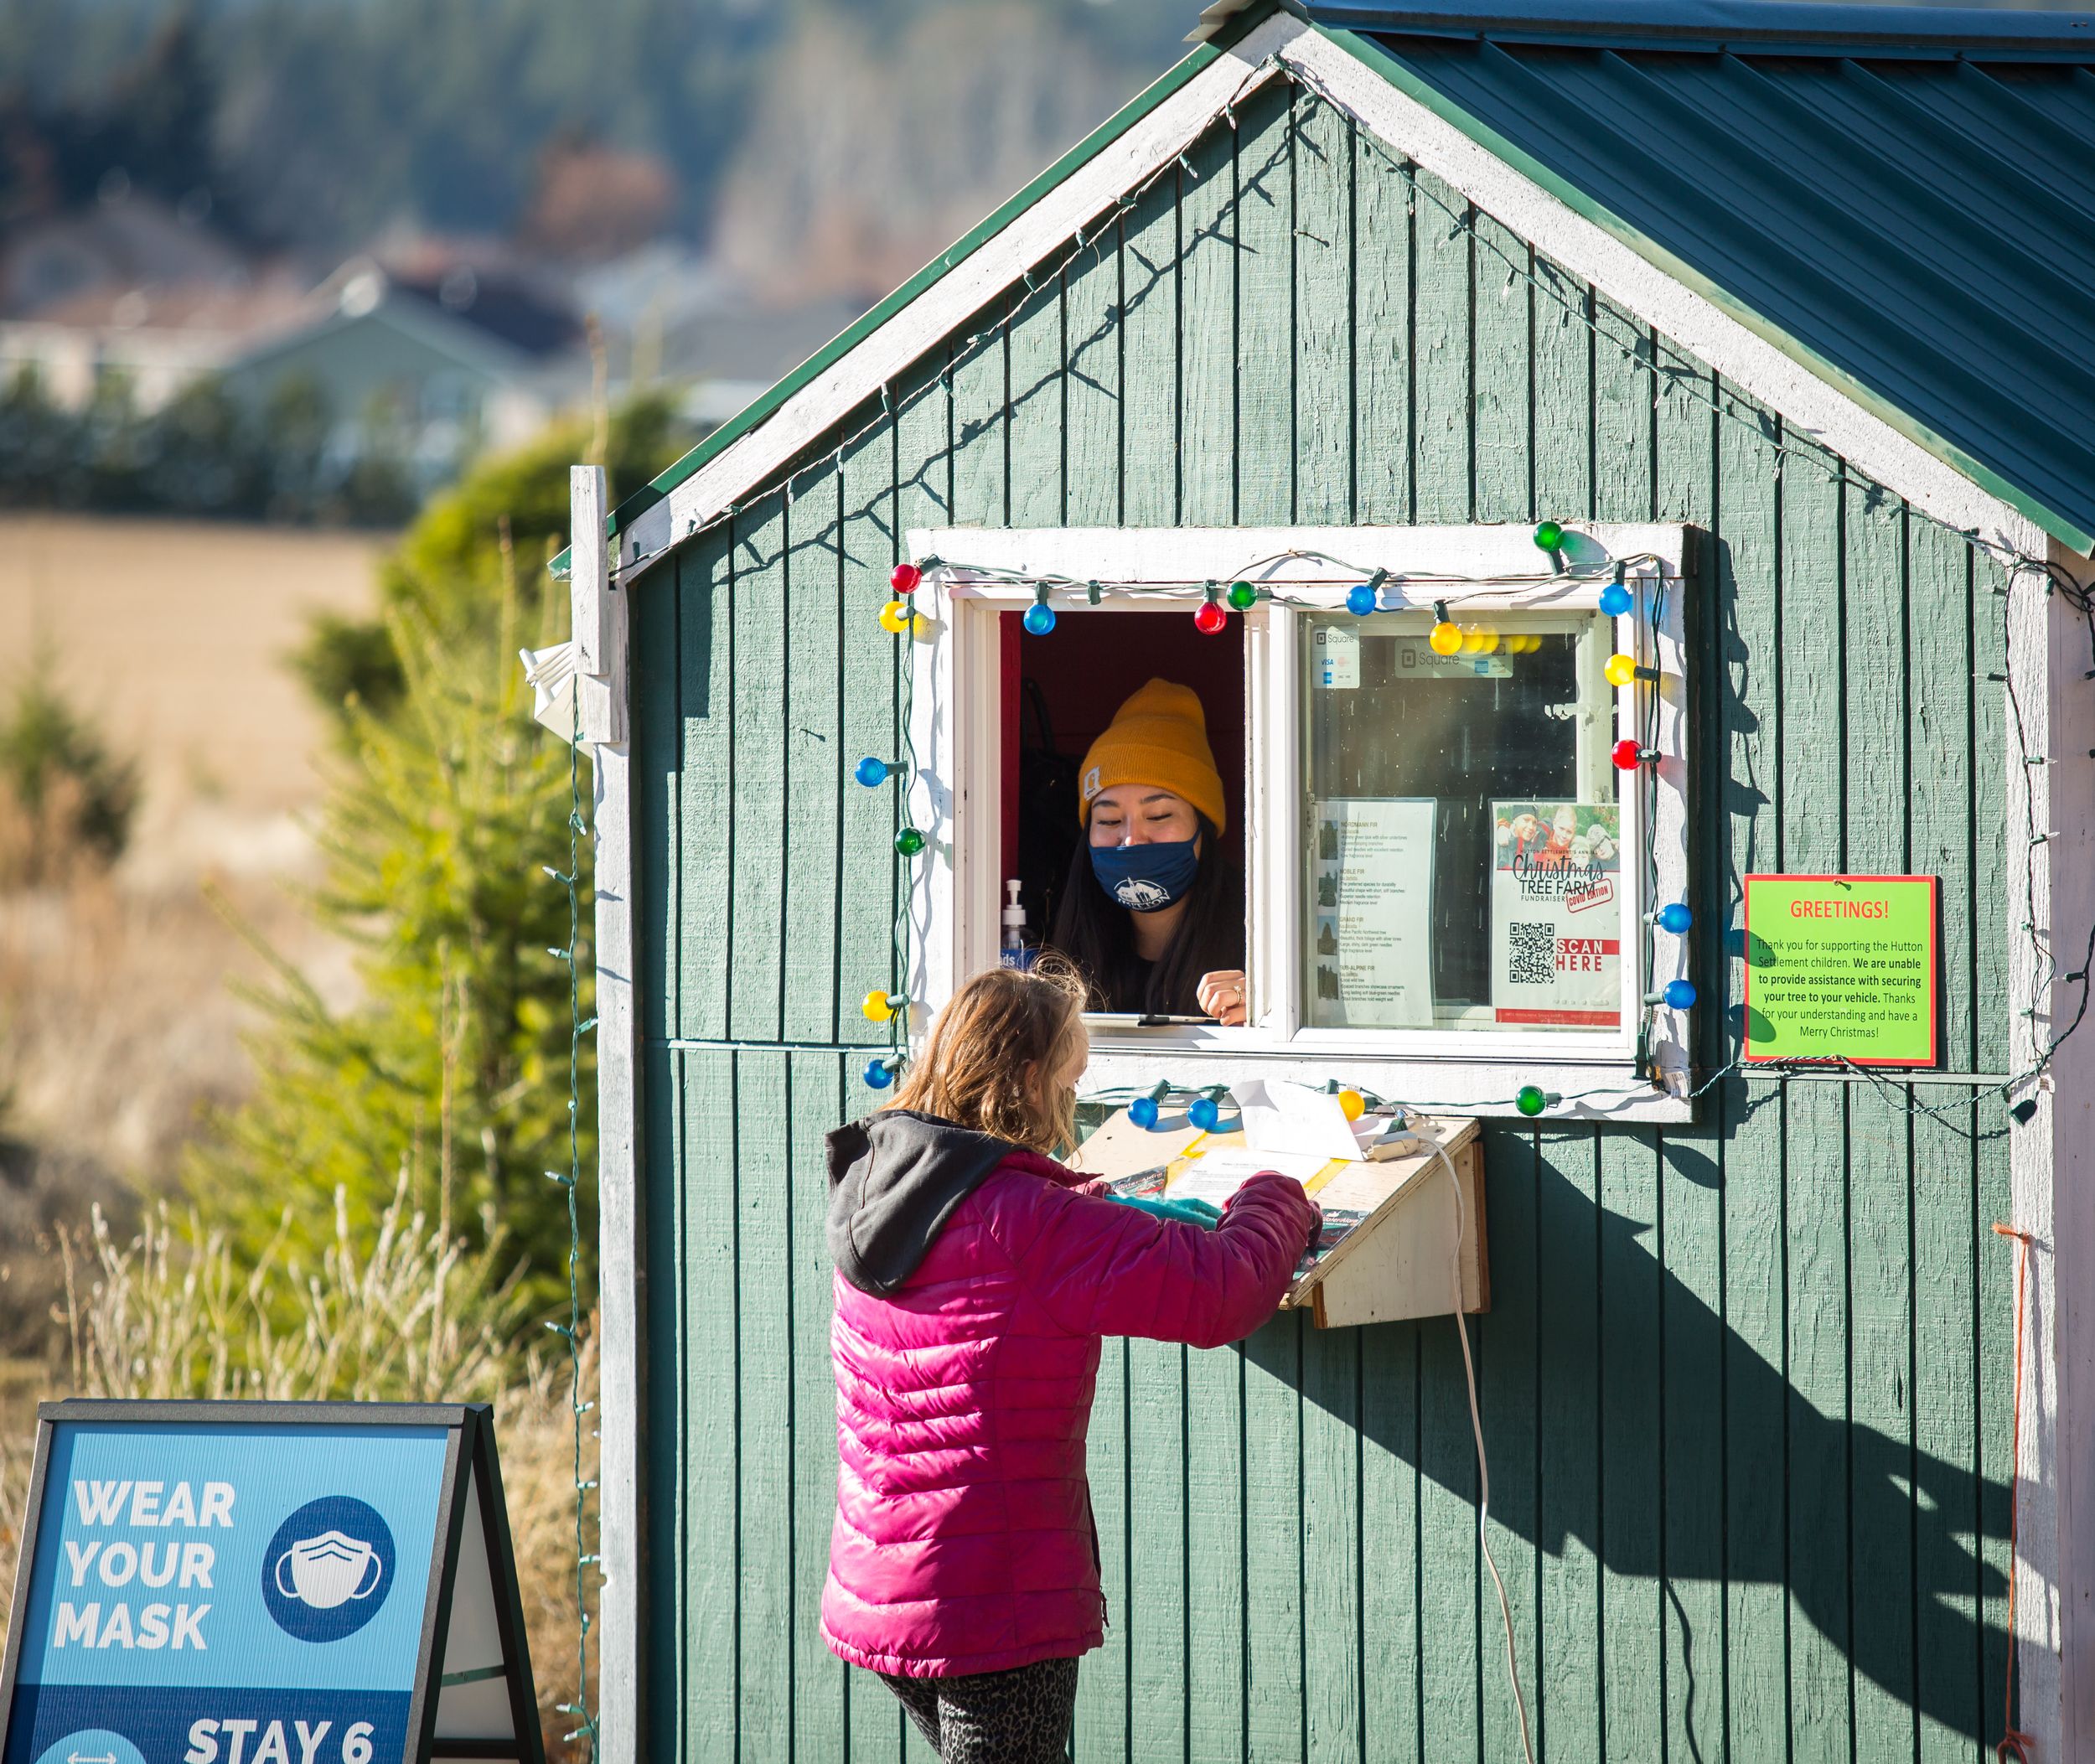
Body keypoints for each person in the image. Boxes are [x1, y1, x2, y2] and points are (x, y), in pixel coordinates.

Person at [820, 963, 1319, 1762]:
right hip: (993, 1601)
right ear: (1027, 1077)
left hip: (885, 1583)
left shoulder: (881, 1183)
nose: (1073, 1101)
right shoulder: (1031, 1220)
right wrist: (1277, 1191)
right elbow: (1224, 1291)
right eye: (1070, 1076)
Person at [1046, 677, 1249, 1022]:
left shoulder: (1262, 936)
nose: (1131, 839)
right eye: (1109, 820)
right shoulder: (1058, 955)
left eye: (1158, 815)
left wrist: (1263, 1005)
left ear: (1204, 827)